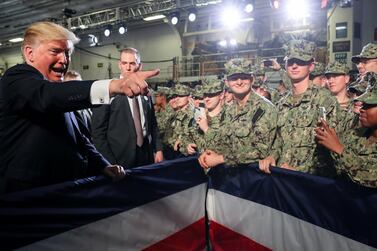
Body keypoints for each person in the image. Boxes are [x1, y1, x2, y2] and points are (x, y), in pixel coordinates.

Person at [0, 22, 159, 193]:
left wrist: (103, 166)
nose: (64, 60)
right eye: (55, 51)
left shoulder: (59, 93)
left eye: (67, 53)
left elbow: (79, 139)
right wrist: (114, 86)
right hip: (29, 199)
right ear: (29, 53)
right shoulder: (15, 79)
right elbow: (47, 96)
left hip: (67, 193)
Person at [259, 40, 341, 177]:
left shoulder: (325, 101)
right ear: (285, 65)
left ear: (311, 66)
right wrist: (272, 156)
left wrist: (301, 170)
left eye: (301, 62)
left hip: (309, 183)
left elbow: (330, 151)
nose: (295, 66)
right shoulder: (281, 103)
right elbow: (277, 140)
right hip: (281, 179)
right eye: (290, 62)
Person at [198, 58, 277, 169]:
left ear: (252, 79)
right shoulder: (229, 110)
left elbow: (260, 150)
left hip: (251, 178)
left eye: (244, 77)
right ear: (227, 82)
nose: (239, 82)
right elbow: (223, 141)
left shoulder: (264, 108)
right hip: (230, 177)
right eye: (234, 78)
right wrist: (207, 154)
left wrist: (220, 159)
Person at [92, 47, 163, 168]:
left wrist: (159, 149)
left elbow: (152, 124)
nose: (128, 67)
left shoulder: (146, 92)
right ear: (119, 65)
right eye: (124, 63)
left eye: (132, 63)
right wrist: (109, 163)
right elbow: (98, 134)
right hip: (119, 158)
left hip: (145, 155)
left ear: (139, 65)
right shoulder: (107, 92)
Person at [315, 82, 377, 188]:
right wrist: (327, 139)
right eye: (363, 104)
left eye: (369, 106)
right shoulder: (360, 133)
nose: (362, 109)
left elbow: (371, 177)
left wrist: (339, 149)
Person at [64, 70, 93, 138]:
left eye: (79, 86)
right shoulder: (65, 112)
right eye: (71, 87)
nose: (76, 90)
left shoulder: (87, 108)